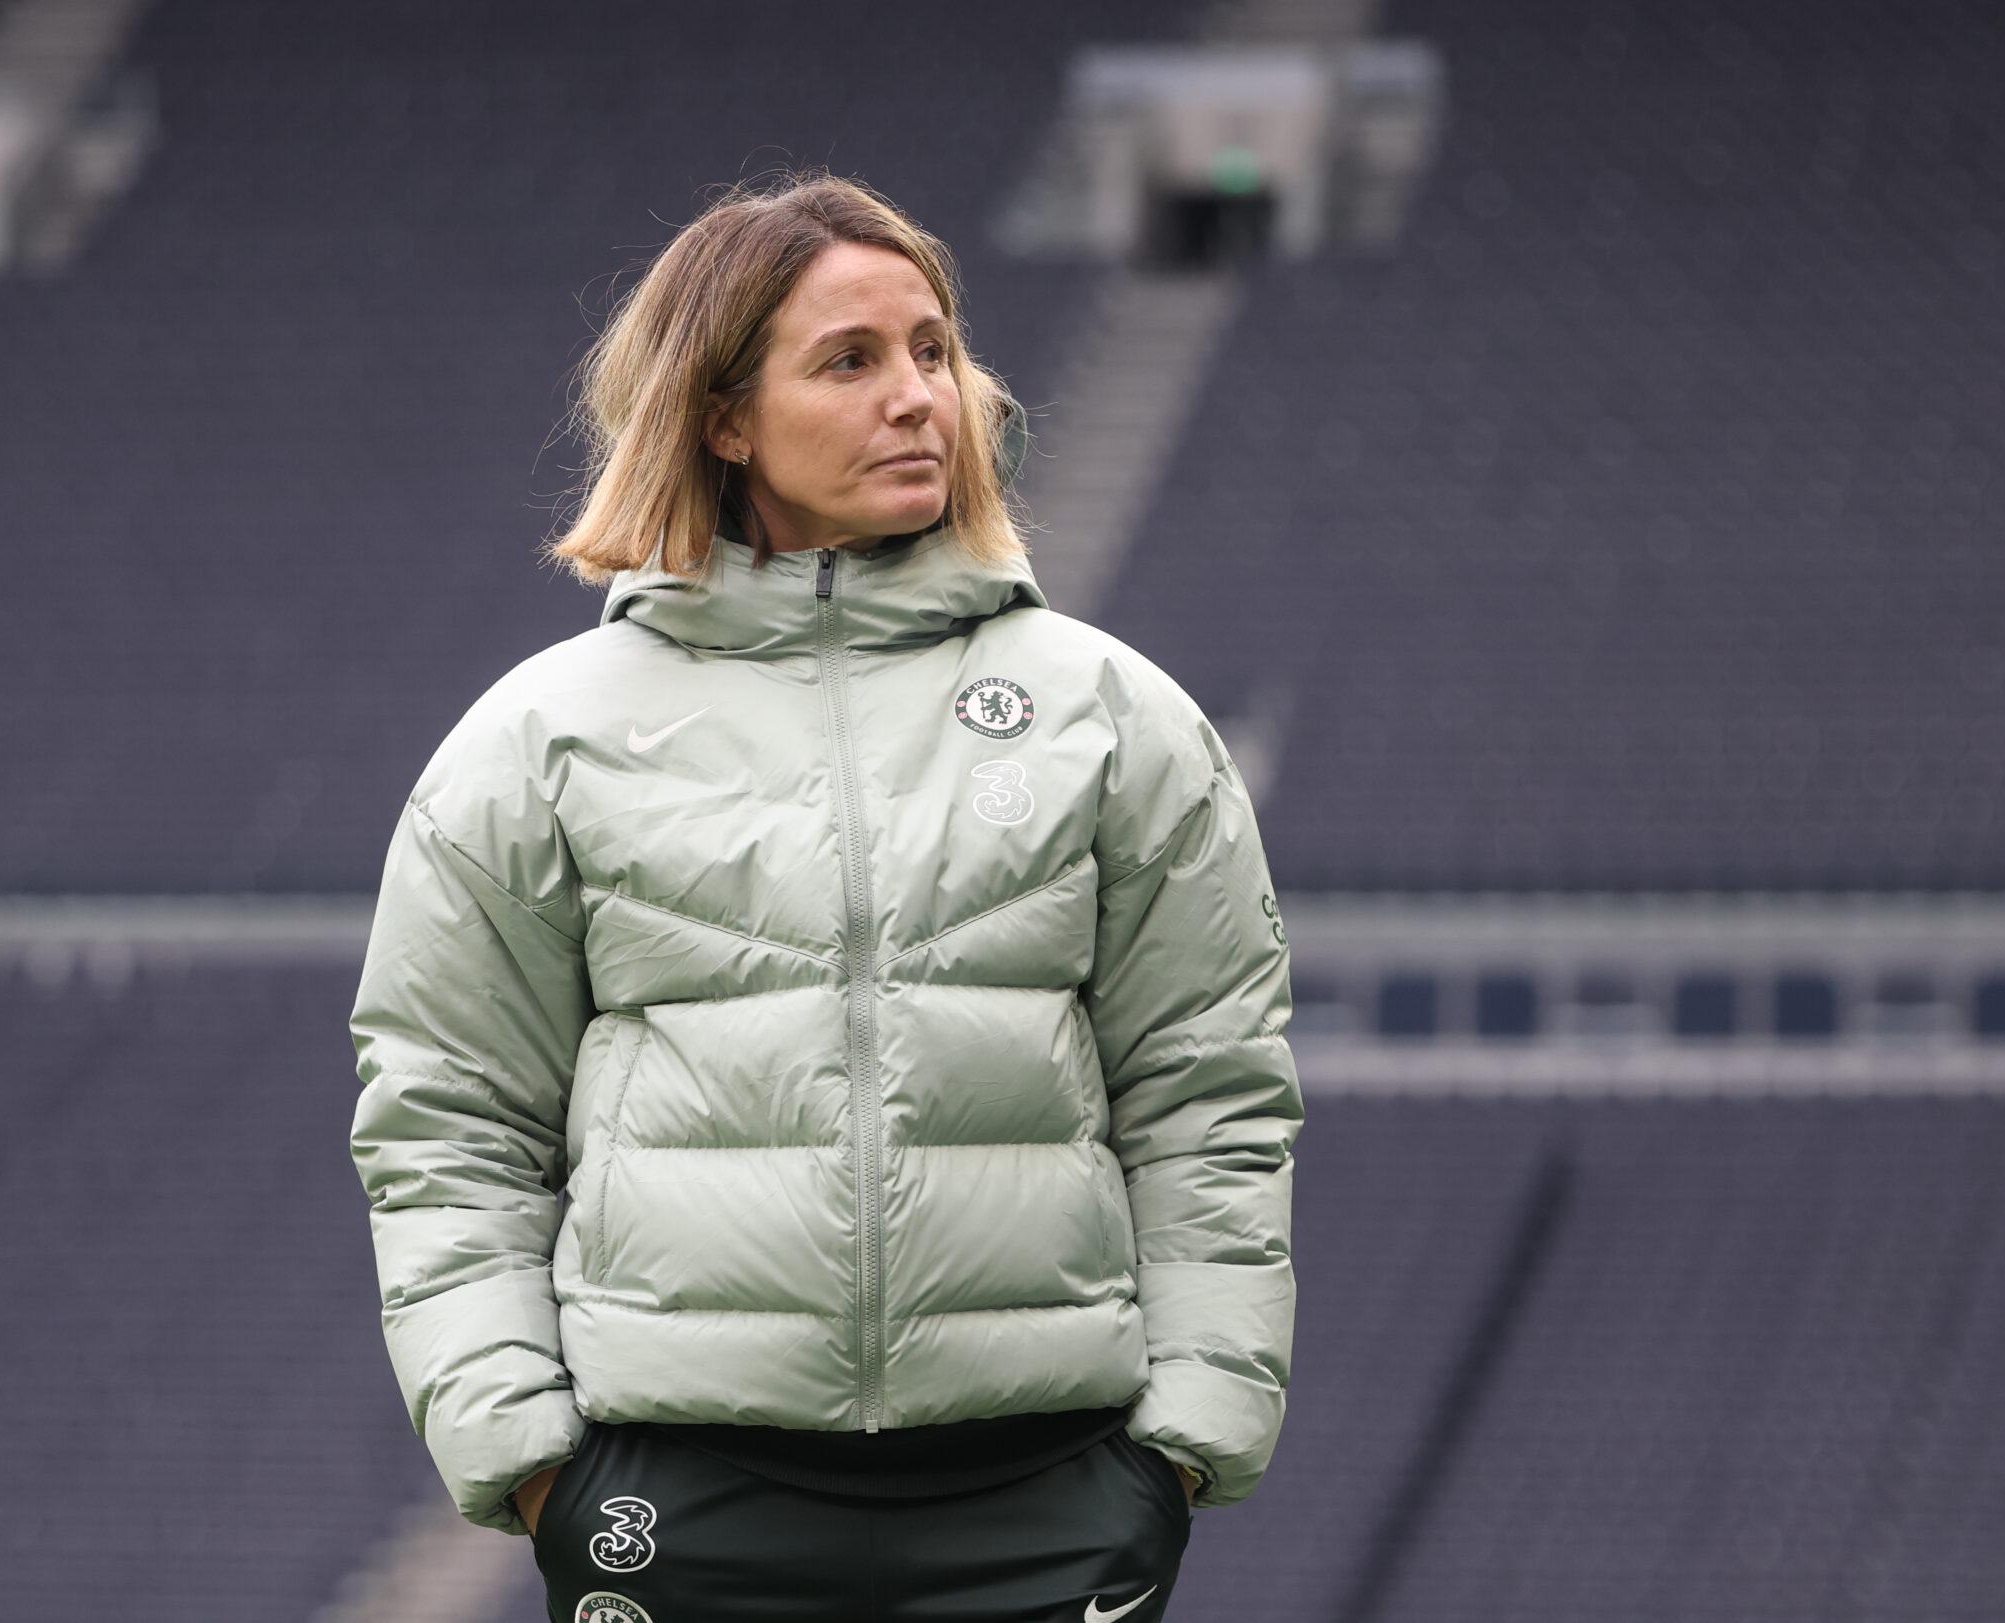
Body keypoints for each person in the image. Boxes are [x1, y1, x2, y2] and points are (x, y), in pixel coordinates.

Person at [347, 168, 1302, 1623]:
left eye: (933, 350)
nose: (918, 397)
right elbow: (448, 1118)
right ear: (722, 416)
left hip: (1050, 1498)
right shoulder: (541, 740)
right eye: (849, 361)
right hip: (680, 1500)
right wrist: (534, 1464)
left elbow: (1210, 1096)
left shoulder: (1115, 718)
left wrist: (1179, 1452)